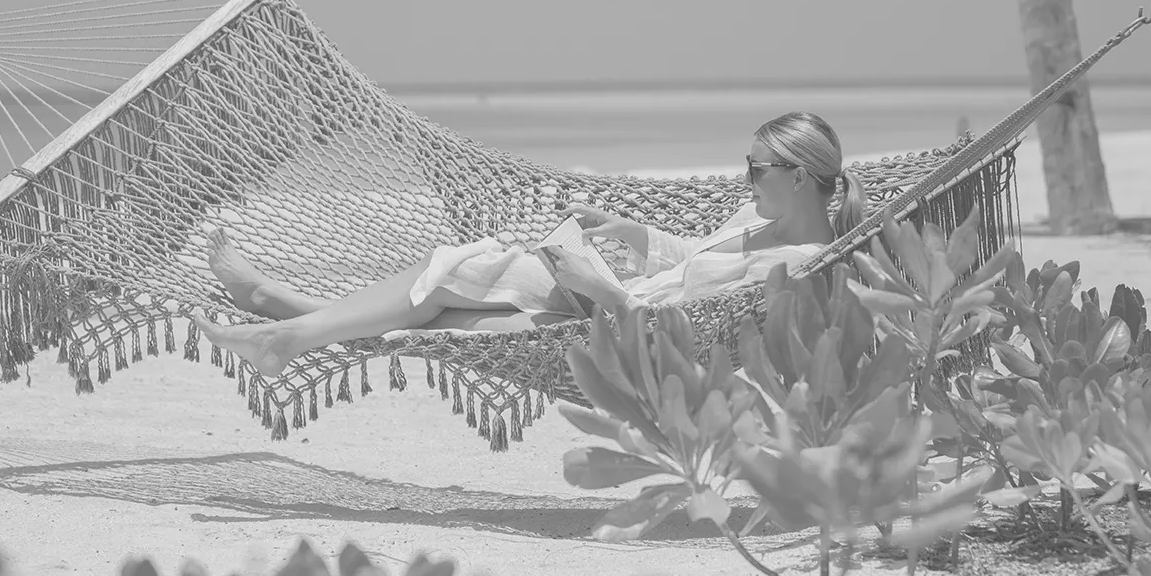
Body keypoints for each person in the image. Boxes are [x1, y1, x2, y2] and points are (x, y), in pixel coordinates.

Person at [192, 111, 866, 376]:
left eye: (755, 169)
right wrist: (628, 231)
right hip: (609, 299)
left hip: (628, 327)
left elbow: (698, 334)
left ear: (800, 177)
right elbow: (695, 260)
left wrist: (600, 287)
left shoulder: (801, 267)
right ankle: (288, 318)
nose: (742, 177)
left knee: (454, 297)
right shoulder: (755, 222)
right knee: (457, 295)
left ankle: (284, 311)